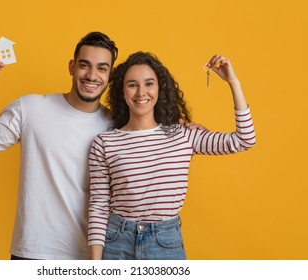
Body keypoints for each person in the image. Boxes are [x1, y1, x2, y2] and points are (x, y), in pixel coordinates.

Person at [0, 32, 118, 260]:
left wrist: (180, 127)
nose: (92, 75)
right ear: (72, 67)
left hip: (90, 255)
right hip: (32, 252)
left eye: (102, 68)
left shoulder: (116, 127)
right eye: (85, 65)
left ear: (110, 75)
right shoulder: (31, 108)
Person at [88, 52, 256, 260]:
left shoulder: (184, 135)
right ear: (122, 91)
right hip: (117, 243)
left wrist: (233, 82)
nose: (141, 92)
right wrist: (94, 266)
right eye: (132, 85)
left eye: (149, 83)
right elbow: (98, 206)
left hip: (165, 243)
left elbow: (244, 139)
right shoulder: (105, 143)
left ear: (160, 89)